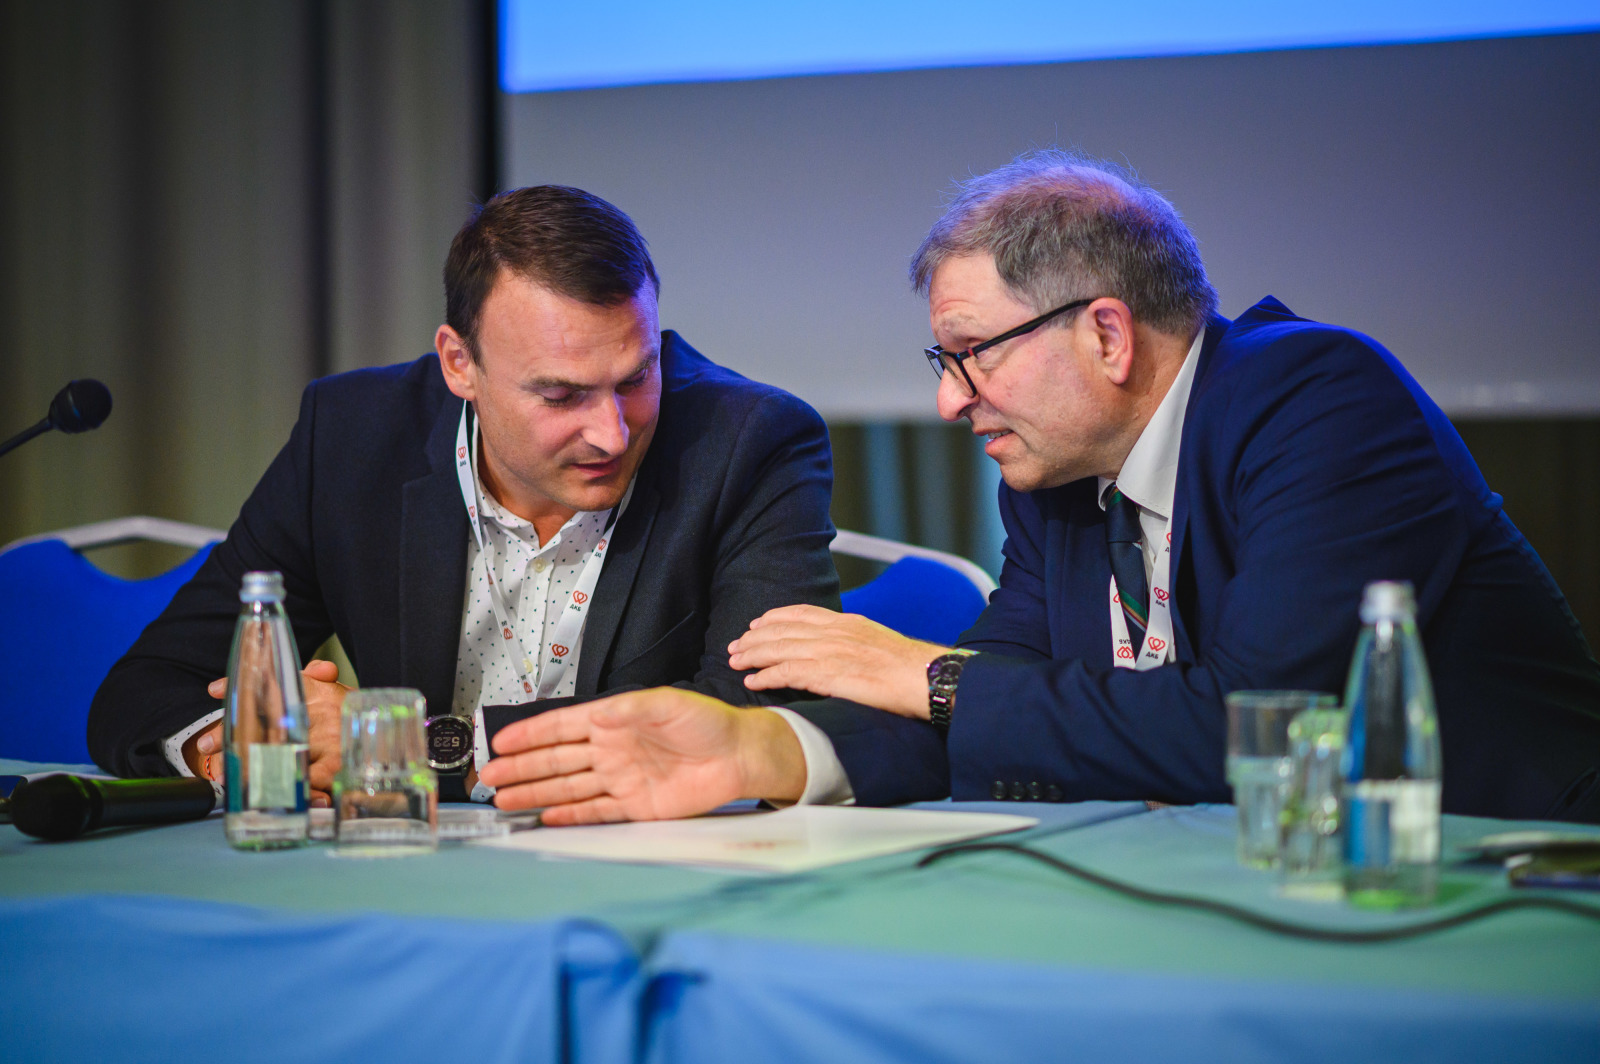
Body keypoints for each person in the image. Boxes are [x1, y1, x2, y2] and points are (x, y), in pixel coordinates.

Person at [481, 151, 1600, 826]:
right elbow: (997, 710)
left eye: (970, 353)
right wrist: (757, 750)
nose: (948, 400)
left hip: (1512, 880)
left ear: (1106, 334)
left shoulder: (1316, 397)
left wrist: (927, 670)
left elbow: (1258, 724)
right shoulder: (1056, 483)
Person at [88, 185, 840, 804]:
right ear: (460, 364)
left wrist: (398, 748)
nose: (611, 434)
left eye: (636, 377)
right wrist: (249, 746)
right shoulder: (351, 439)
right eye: (561, 395)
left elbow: (770, 717)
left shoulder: (750, 442)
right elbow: (150, 687)